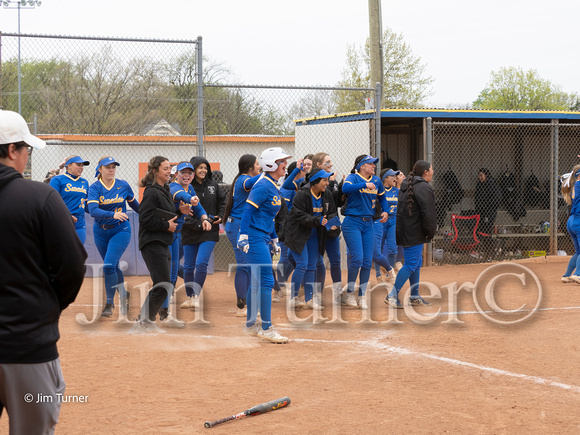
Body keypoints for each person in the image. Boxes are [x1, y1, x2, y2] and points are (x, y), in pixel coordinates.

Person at [0, 110, 86, 434]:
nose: (26, 156)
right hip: (27, 347)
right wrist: (45, 306)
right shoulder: (40, 197)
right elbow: (72, 268)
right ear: (12, 150)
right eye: (27, 149)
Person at [237, 147, 292, 343]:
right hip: (253, 237)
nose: (285, 164)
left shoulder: (272, 185)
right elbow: (247, 212)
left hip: (262, 236)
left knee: (257, 282)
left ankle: (251, 325)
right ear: (271, 164)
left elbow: (266, 216)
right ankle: (266, 328)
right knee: (267, 281)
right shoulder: (263, 186)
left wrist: (274, 236)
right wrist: (243, 235)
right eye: (281, 161)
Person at [134, 156, 191, 332]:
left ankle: (145, 320)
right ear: (155, 171)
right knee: (163, 283)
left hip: (162, 242)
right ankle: (143, 321)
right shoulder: (151, 192)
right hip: (152, 242)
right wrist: (166, 225)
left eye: (169, 168)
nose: (169, 172)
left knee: (164, 283)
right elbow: (145, 219)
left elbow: (165, 214)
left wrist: (179, 212)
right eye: (165, 169)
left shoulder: (164, 189)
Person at [87, 156, 140, 318]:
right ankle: (124, 294)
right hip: (101, 231)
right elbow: (93, 211)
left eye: (113, 167)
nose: (111, 170)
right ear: (100, 169)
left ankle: (109, 303)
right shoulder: (95, 187)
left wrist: (150, 218)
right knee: (113, 265)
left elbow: (135, 205)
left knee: (109, 265)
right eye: (107, 167)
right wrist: (113, 214)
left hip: (121, 230)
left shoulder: (123, 185)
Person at [385, 160, 436, 308]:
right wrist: (430, 231)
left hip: (406, 230)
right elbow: (428, 214)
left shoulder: (407, 186)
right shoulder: (423, 188)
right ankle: (392, 296)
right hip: (414, 232)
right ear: (425, 172)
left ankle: (414, 296)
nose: (432, 171)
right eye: (431, 169)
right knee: (411, 264)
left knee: (416, 263)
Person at [341, 155, 389, 310]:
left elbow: (382, 198)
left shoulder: (376, 180)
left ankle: (361, 296)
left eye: (374, 164)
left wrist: (386, 211)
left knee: (368, 261)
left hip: (368, 223)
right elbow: (345, 188)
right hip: (352, 222)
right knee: (358, 259)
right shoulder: (353, 177)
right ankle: (349, 293)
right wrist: (364, 184)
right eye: (371, 164)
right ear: (362, 166)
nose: (374, 166)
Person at [284, 168, 337, 310]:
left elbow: (331, 212)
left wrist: (332, 224)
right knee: (302, 264)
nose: (327, 183)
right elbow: (298, 215)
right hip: (298, 234)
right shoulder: (302, 194)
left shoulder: (327, 195)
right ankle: (293, 298)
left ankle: (309, 299)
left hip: (315, 234)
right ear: (315, 182)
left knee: (312, 266)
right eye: (324, 180)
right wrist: (317, 221)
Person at [165, 161, 210, 320]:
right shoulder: (174, 187)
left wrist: (205, 218)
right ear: (176, 174)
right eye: (183, 172)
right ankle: (166, 298)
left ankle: (167, 296)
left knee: (174, 266)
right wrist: (191, 199)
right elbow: (180, 196)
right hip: (166, 232)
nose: (187, 175)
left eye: (190, 173)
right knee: (171, 267)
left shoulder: (189, 188)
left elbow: (198, 208)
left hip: (177, 233)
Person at [181, 156, 226, 309]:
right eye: (200, 167)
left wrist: (220, 216)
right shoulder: (185, 187)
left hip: (209, 230)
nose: (203, 170)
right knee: (188, 266)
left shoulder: (213, 185)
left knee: (201, 263)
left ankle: (195, 296)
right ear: (193, 170)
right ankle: (188, 297)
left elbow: (223, 202)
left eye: (205, 168)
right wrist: (198, 224)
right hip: (190, 230)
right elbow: (183, 213)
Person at [223, 154, 262, 316]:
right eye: (258, 164)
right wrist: (269, 170)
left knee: (247, 264)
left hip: (241, 224)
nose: (259, 166)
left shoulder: (243, 179)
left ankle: (246, 301)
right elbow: (252, 182)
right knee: (244, 264)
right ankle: (243, 304)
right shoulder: (243, 179)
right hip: (237, 225)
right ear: (249, 167)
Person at [310, 152, 343, 300]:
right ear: (318, 164)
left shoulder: (333, 181)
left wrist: (340, 188)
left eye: (330, 162)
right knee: (317, 261)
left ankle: (337, 293)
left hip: (331, 225)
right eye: (327, 162)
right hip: (316, 227)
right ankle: (315, 293)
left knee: (335, 260)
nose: (330, 165)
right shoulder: (311, 183)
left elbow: (336, 204)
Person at [49, 155, 90, 243]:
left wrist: (102, 210)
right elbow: (51, 202)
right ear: (69, 165)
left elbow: (87, 205)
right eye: (78, 165)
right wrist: (66, 215)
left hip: (79, 223)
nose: (81, 167)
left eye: (82, 165)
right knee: (62, 253)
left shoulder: (84, 182)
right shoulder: (57, 180)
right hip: (62, 221)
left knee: (78, 254)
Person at [373, 168, 400, 283]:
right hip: (380, 220)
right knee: (378, 249)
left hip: (393, 220)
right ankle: (378, 274)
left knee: (393, 249)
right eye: (392, 176)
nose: (395, 178)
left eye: (395, 176)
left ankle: (389, 275)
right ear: (385, 179)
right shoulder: (379, 190)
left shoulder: (397, 191)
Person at [474, 168, 502, 260]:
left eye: (481, 175)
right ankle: (485, 252)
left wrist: (486, 205)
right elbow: (477, 198)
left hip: (489, 212)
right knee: (481, 231)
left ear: (486, 175)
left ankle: (490, 252)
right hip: (481, 212)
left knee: (487, 231)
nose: (480, 177)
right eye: (479, 175)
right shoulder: (480, 185)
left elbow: (497, 198)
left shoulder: (491, 184)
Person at [561, 166, 580, 283]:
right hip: (578, 221)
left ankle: (567, 275)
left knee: (578, 252)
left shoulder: (575, 185)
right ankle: (578, 274)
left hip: (572, 221)